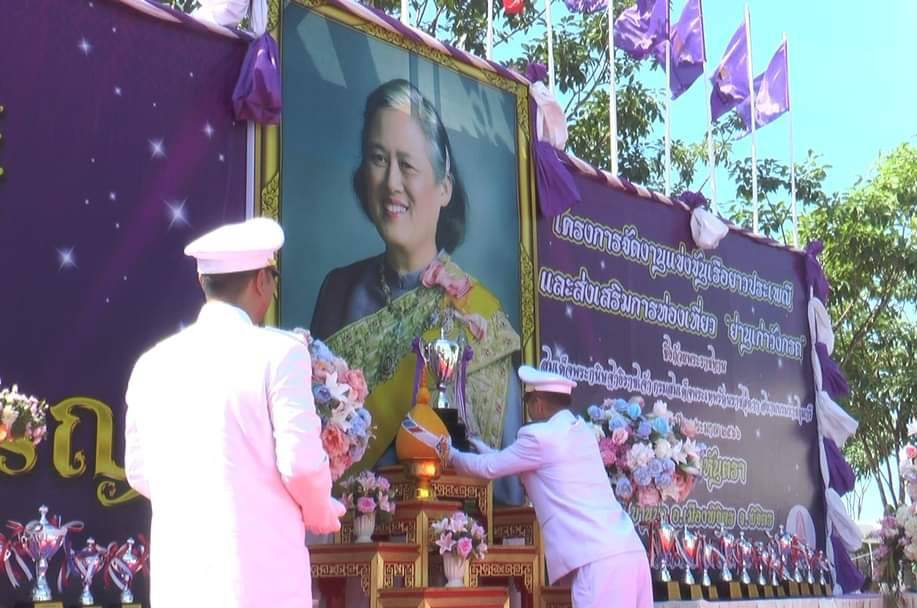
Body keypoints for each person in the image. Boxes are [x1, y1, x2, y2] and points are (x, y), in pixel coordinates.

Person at [124, 217, 345, 607]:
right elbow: (301, 466)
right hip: (258, 585)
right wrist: (322, 512)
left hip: (180, 585)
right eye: (272, 278)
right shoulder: (280, 354)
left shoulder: (151, 364)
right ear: (261, 281)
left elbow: (140, 472)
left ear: (202, 282)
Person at [309, 78, 520, 472]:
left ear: (444, 189)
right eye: (378, 159)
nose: (391, 183)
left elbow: (501, 474)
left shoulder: (479, 313)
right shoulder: (338, 290)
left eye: (407, 165)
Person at [405, 366, 653, 608]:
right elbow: (527, 463)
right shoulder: (581, 431)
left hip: (599, 563)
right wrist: (485, 449)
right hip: (630, 552)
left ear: (539, 404)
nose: (529, 409)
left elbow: (488, 469)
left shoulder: (539, 437)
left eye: (528, 401)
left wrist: (450, 453)